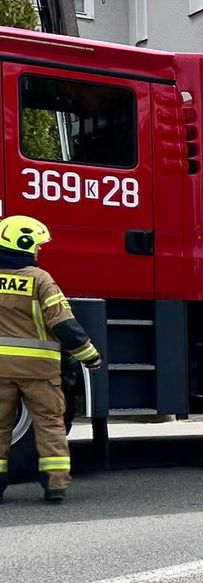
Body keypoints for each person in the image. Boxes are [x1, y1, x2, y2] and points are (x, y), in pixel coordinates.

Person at [0, 215, 102, 503]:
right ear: (25, 245)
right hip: (39, 371)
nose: (38, 251)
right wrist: (90, 357)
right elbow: (63, 324)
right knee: (49, 424)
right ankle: (54, 485)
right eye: (37, 246)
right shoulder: (40, 280)